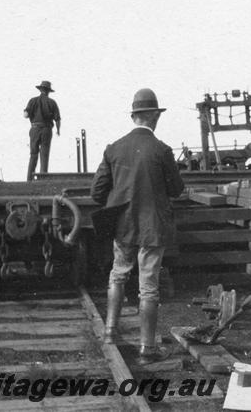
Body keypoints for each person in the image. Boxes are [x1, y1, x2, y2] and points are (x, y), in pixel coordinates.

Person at [90, 88, 185, 362]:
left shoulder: (113, 149)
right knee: (149, 287)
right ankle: (147, 348)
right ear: (154, 117)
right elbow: (176, 189)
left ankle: (110, 333)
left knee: (117, 275)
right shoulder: (162, 150)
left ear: (133, 116)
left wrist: (120, 196)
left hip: (122, 227)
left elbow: (97, 192)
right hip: (152, 229)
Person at [24, 80, 61, 181]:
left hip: (35, 129)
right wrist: (58, 130)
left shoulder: (32, 100)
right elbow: (57, 119)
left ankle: (29, 180)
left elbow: (25, 115)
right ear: (49, 91)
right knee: (44, 155)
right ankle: (42, 180)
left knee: (33, 154)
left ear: (40, 89)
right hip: (46, 130)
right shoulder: (52, 103)